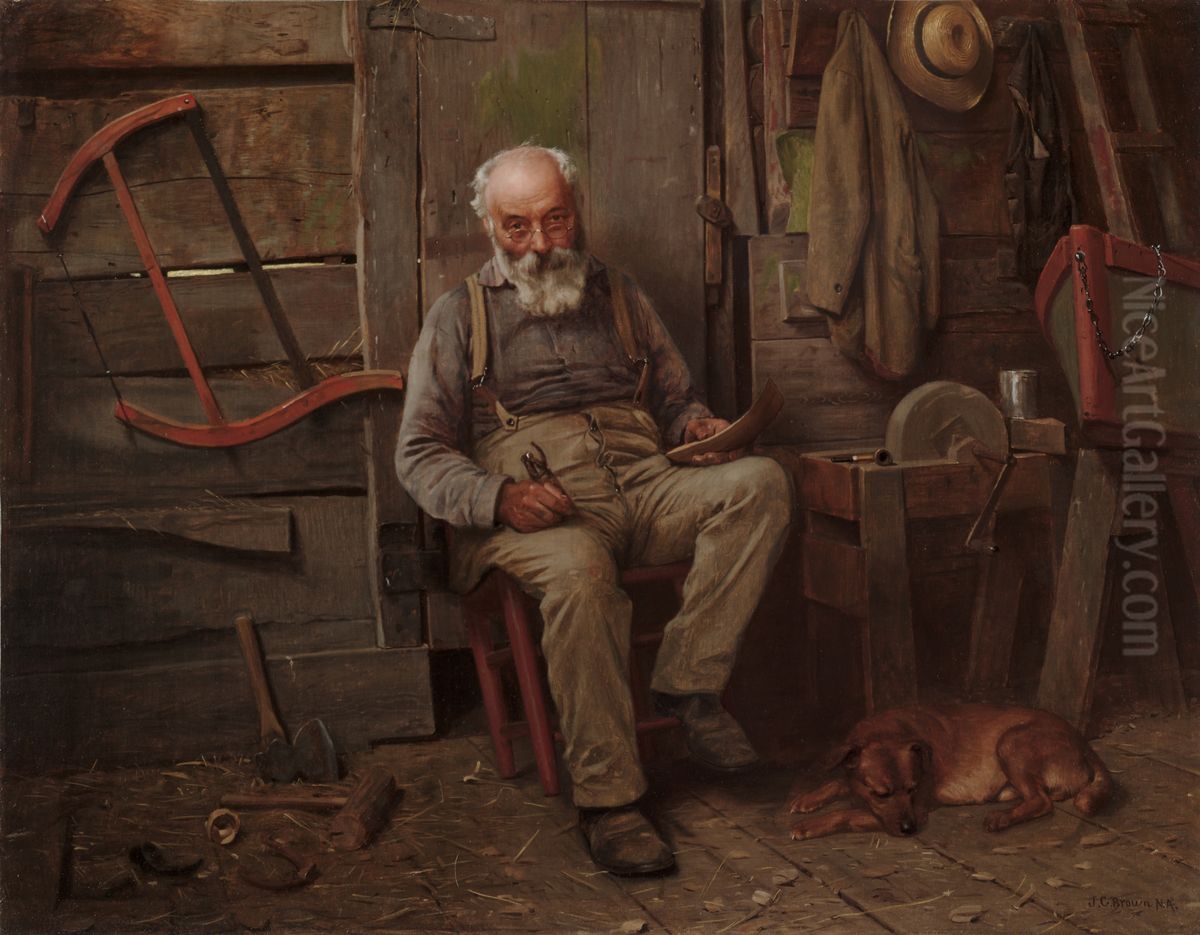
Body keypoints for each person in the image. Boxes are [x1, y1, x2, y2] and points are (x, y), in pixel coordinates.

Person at [396, 145, 792, 875]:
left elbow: (674, 399)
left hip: (643, 480)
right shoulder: (459, 316)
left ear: (578, 211)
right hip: (533, 509)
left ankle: (688, 686)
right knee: (579, 568)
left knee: (760, 482)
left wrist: (697, 429)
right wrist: (500, 497)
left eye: (556, 219)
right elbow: (418, 454)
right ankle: (610, 802)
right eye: (518, 227)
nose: (542, 245)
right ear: (489, 225)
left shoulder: (621, 295)